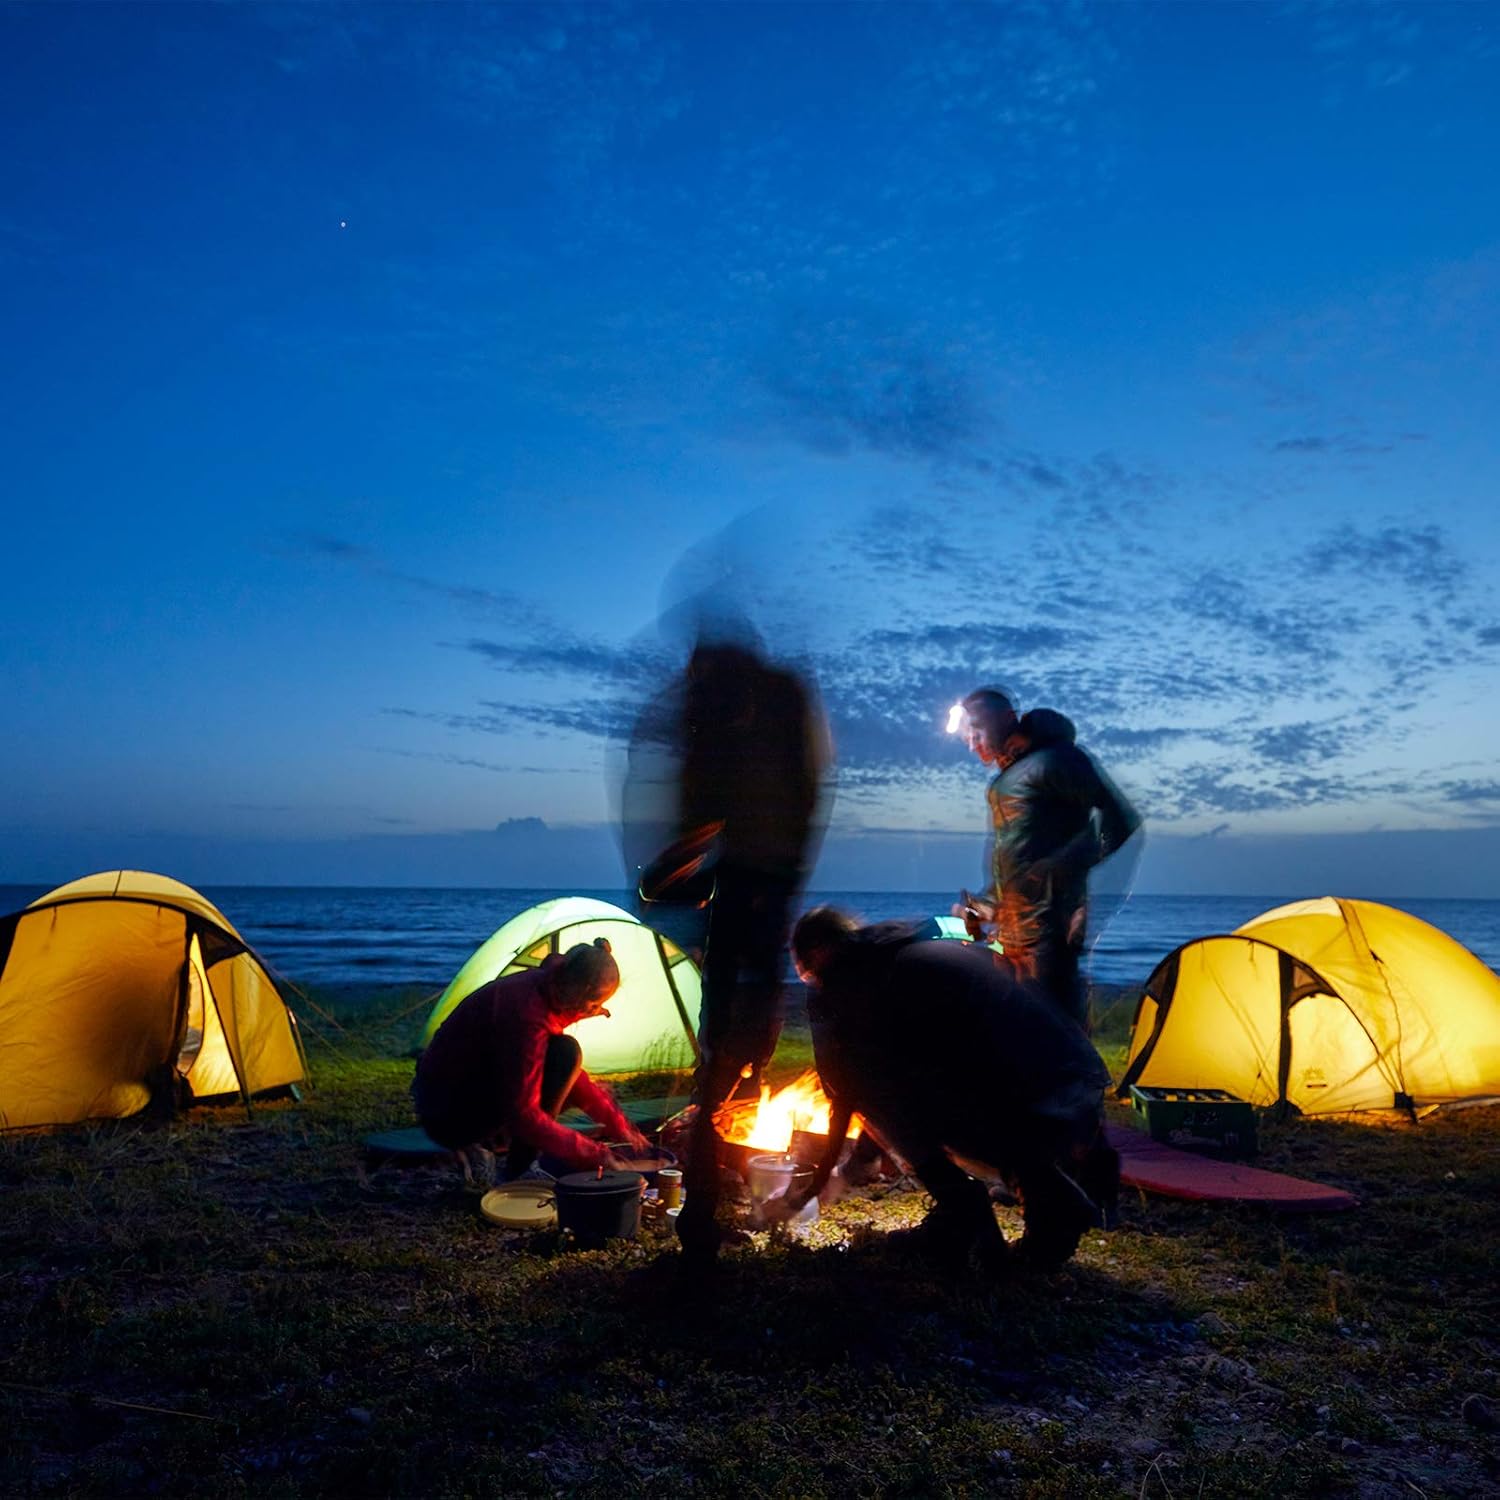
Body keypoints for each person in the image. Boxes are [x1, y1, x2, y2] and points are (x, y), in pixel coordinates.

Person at [774, 907, 1119, 1273]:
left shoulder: (854, 982)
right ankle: (1004, 1205)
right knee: (928, 1083)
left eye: (806, 968)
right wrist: (855, 1161)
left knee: (884, 1093)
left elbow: (849, 1088)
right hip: (1076, 1079)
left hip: (1032, 1100)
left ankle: (977, 1212)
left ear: (817, 954)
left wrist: (822, 1181)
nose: (811, 979)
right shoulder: (906, 948)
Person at [658, 634, 831, 1264]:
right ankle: (700, 1217)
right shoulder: (758, 749)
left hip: (742, 936)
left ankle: (703, 1212)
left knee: (730, 1072)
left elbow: (670, 865)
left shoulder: (736, 750)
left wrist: (696, 878)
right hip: (745, 938)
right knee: (725, 1076)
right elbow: (668, 872)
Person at [953, 687, 1140, 1031]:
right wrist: (987, 902)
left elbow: (1120, 821)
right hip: (1013, 929)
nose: (971, 742)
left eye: (977, 730)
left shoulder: (1057, 759)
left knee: (1057, 1030)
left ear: (1007, 719)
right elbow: (1018, 856)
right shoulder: (1005, 780)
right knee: (1022, 1032)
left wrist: (1056, 870)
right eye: (968, 735)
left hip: (1050, 927)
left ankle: (1083, 1084)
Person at [412, 937, 649, 1184]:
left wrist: (617, 1123)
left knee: (564, 1058)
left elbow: (570, 1078)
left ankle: (491, 1149)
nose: (595, 1011)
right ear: (579, 994)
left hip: (458, 1091)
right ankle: (517, 1170)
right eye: (595, 1005)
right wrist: (594, 1154)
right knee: (565, 1053)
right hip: (445, 1114)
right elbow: (524, 1115)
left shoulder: (546, 986)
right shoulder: (527, 1013)